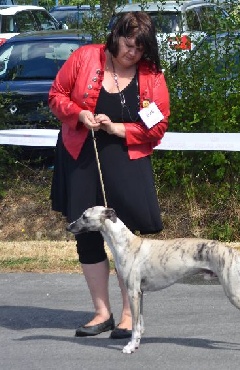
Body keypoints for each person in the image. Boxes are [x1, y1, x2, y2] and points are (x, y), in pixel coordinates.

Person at [48, 11, 169, 339]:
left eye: (141, 49)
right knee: (86, 233)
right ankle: (101, 313)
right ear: (116, 36)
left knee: (126, 242)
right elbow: (56, 96)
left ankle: (129, 315)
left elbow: (157, 127)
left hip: (127, 160)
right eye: (130, 45)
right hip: (81, 157)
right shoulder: (84, 57)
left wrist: (118, 128)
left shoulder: (151, 75)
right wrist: (78, 113)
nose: (133, 53)